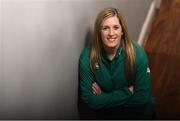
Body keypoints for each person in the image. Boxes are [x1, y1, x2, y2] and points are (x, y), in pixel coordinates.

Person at [78, 7, 155, 119]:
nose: (111, 33)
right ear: (99, 31)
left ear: (122, 30)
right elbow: (89, 100)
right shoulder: (87, 57)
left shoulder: (138, 55)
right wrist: (127, 93)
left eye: (116, 27)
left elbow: (142, 98)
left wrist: (103, 97)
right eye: (105, 28)